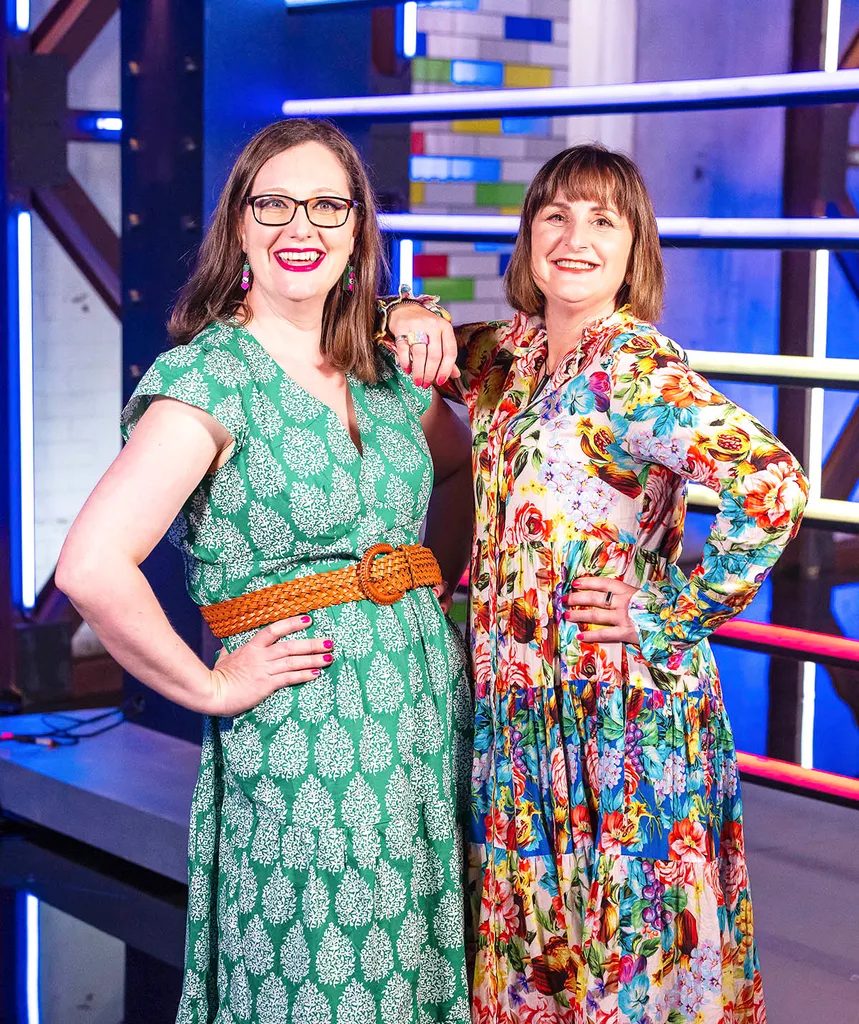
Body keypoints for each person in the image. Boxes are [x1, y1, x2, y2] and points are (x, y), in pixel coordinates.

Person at [56, 118, 475, 1024]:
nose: (302, 226)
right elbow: (92, 565)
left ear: (360, 230)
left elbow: (456, 467)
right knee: (323, 983)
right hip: (307, 736)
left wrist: (422, 581)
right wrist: (205, 685)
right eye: (274, 203)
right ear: (238, 225)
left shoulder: (383, 369)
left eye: (329, 206)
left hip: (424, 715)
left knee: (419, 975)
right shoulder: (210, 380)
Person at [382, 144, 808, 1023]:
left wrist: (667, 610)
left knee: (621, 948)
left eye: (601, 220)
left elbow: (773, 486)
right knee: (540, 947)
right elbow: (406, 343)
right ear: (529, 237)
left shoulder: (632, 368)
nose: (575, 238)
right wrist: (405, 307)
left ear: (632, 250)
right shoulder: (512, 355)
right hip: (520, 708)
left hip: (610, 712)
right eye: (555, 216)